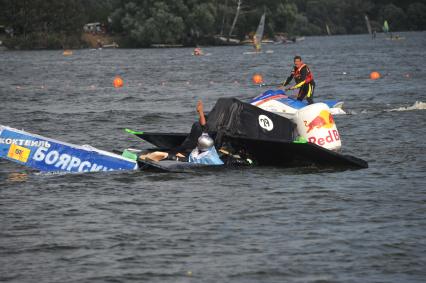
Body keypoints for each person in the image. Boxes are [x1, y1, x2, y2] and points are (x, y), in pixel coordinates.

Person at [188, 101, 223, 165]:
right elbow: (204, 127)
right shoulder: (198, 151)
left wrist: (201, 112)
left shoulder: (210, 157)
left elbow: (204, 126)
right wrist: (200, 112)